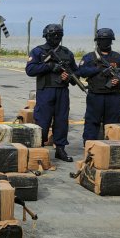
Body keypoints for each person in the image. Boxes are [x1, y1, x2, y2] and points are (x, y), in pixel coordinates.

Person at [25, 24, 77, 162]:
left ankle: (60, 148)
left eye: (58, 35)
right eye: (53, 35)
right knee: (42, 119)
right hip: (45, 90)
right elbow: (30, 70)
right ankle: (39, 147)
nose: (56, 38)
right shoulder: (38, 51)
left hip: (62, 91)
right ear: (46, 36)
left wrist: (69, 76)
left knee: (61, 121)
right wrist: (49, 66)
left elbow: (75, 72)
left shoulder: (66, 53)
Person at [77, 28, 120, 144]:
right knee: (92, 121)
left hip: (113, 96)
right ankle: (89, 144)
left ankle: (111, 146)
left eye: (107, 40)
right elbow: (81, 72)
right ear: (97, 41)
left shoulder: (119, 58)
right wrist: (98, 69)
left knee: (112, 123)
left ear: (111, 41)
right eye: (102, 40)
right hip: (95, 95)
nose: (105, 42)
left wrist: (119, 80)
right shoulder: (89, 57)